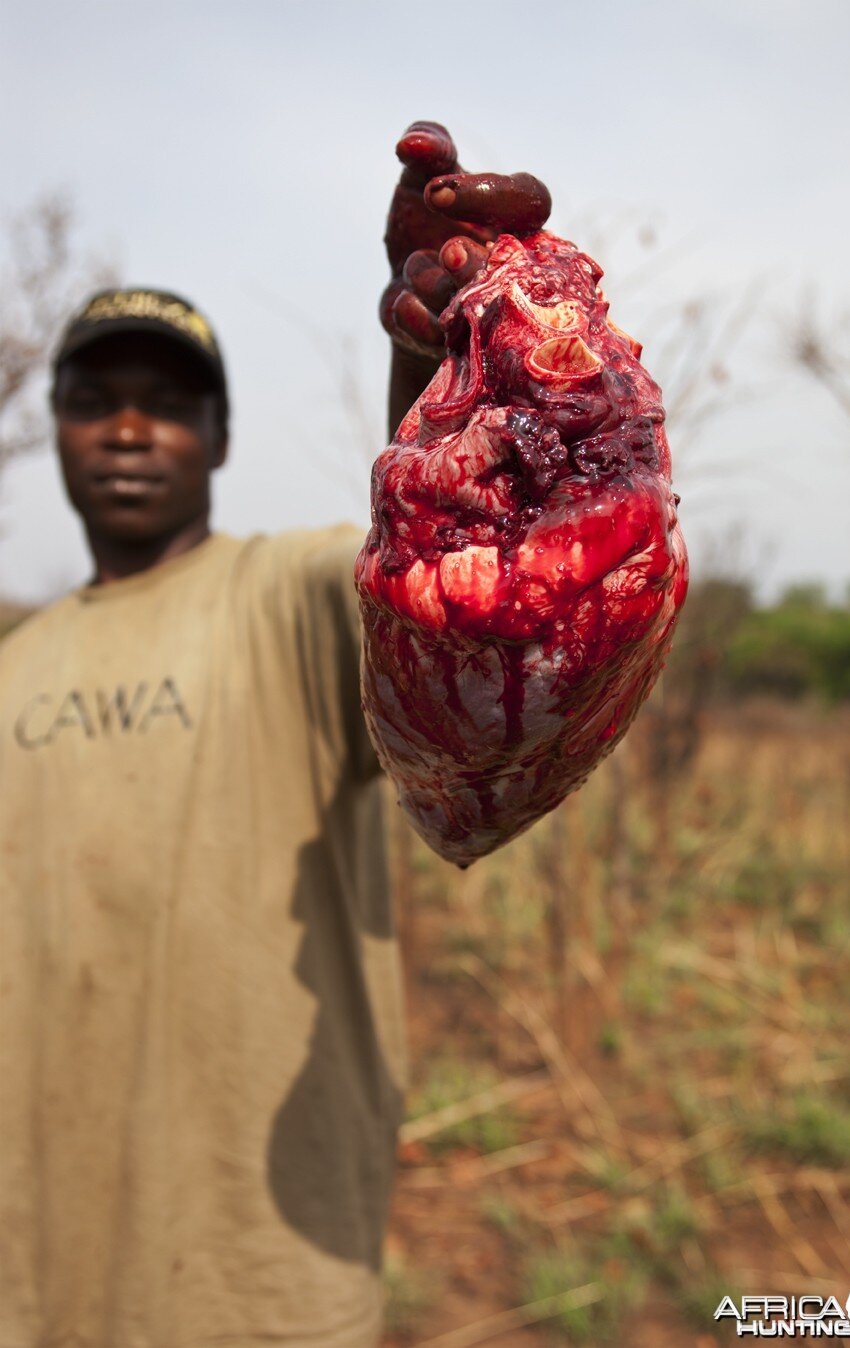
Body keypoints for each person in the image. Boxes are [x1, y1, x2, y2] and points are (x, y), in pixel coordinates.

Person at [0, 124, 553, 1347]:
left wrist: (450, 364)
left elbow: (428, 573)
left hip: (256, 1268)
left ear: (221, 439)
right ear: (59, 439)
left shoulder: (290, 598)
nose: (131, 431)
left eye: (168, 406)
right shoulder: (14, 665)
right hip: (31, 1261)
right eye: (95, 406)